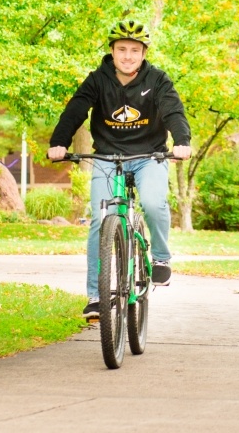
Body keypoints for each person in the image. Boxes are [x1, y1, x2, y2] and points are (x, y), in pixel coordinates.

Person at [48, 20, 191, 319]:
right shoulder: (97, 80)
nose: (127, 56)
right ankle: (95, 297)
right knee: (101, 221)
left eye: (134, 50)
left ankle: (161, 258)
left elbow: (173, 111)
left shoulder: (158, 80)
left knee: (152, 203)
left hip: (149, 156)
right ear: (112, 52)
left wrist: (182, 141)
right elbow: (76, 109)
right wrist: (59, 142)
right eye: (122, 49)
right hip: (107, 157)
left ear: (143, 53)